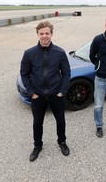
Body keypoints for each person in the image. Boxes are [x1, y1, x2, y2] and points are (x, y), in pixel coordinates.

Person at [20, 21, 71, 162]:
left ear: (51, 34)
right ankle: (37, 146)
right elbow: (24, 74)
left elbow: (66, 73)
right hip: (38, 96)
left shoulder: (59, 52)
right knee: (37, 123)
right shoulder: (29, 53)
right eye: (41, 33)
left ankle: (62, 142)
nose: (44, 36)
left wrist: (62, 91)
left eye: (47, 33)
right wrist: (31, 93)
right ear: (37, 34)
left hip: (56, 95)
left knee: (60, 121)